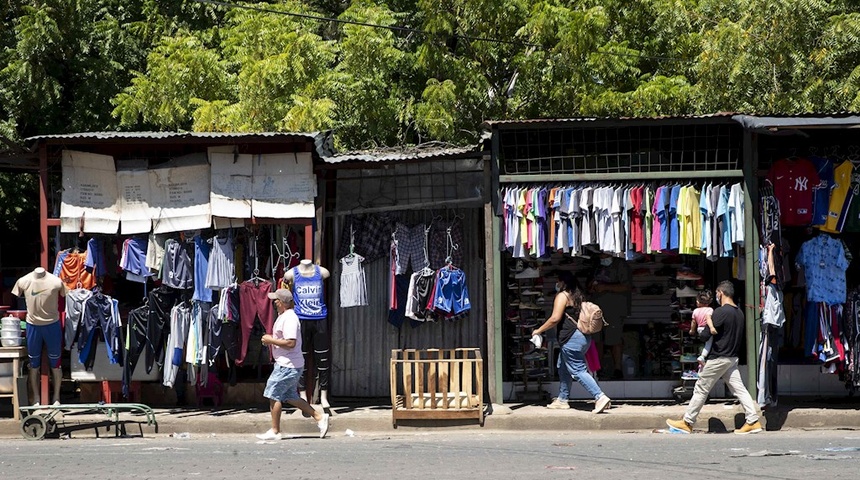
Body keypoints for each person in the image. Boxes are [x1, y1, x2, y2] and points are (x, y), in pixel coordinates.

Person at [666, 280, 763, 434]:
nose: (716, 296)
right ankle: (753, 420)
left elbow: (705, 336)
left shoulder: (720, 312)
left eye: (717, 293)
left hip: (718, 358)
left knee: (700, 388)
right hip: (731, 358)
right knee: (740, 390)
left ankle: (687, 422)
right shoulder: (739, 313)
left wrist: (700, 328)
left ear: (720, 293)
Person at [532, 271, 611, 413]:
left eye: (558, 281)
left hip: (571, 338)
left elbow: (555, 318)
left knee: (577, 369)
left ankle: (599, 396)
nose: (557, 284)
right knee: (563, 367)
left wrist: (539, 330)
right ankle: (562, 399)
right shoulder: (578, 295)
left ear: (562, 282)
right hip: (582, 337)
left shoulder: (563, 296)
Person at [256, 288, 329, 440]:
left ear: (282, 303)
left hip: (287, 365)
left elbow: (290, 343)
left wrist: (270, 340)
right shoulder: (284, 316)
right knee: (290, 396)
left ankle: (275, 431)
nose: (274, 303)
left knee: (273, 393)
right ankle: (319, 417)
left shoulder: (289, 318)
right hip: (288, 364)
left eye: (276, 300)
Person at [12, 267, 66, 406]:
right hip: (33, 326)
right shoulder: (24, 281)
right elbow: (16, 294)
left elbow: (64, 294)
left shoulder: (56, 282)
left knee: (56, 364)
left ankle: (56, 397)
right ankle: (36, 397)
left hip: (52, 325)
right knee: (33, 365)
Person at [283, 259, 332, 409]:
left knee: (323, 359)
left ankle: (324, 395)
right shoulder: (292, 273)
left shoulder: (322, 272)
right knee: (300, 358)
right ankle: (303, 393)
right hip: (301, 320)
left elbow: (326, 273)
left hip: (320, 319)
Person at [589, 252, 632, 379]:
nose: (602, 257)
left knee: (615, 339)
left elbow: (627, 286)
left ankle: (618, 369)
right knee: (597, 340)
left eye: (604, 255)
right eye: (600, 255)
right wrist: (592, 287)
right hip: (596, 309)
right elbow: (588, 284)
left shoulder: (621, 265)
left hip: (615, 309)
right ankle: (598, 369)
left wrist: (606, 287)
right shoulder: (596, 266)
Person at [689, 289, 716, 365]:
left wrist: (692, 330)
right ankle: (702, 356)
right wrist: (711, 328)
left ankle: (702, 354)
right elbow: (708, 319)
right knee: (708, 344)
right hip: (706, 329)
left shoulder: (695, 311)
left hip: (699, 329)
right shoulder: (709, 309)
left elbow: (693, 322)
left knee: (704, 343)